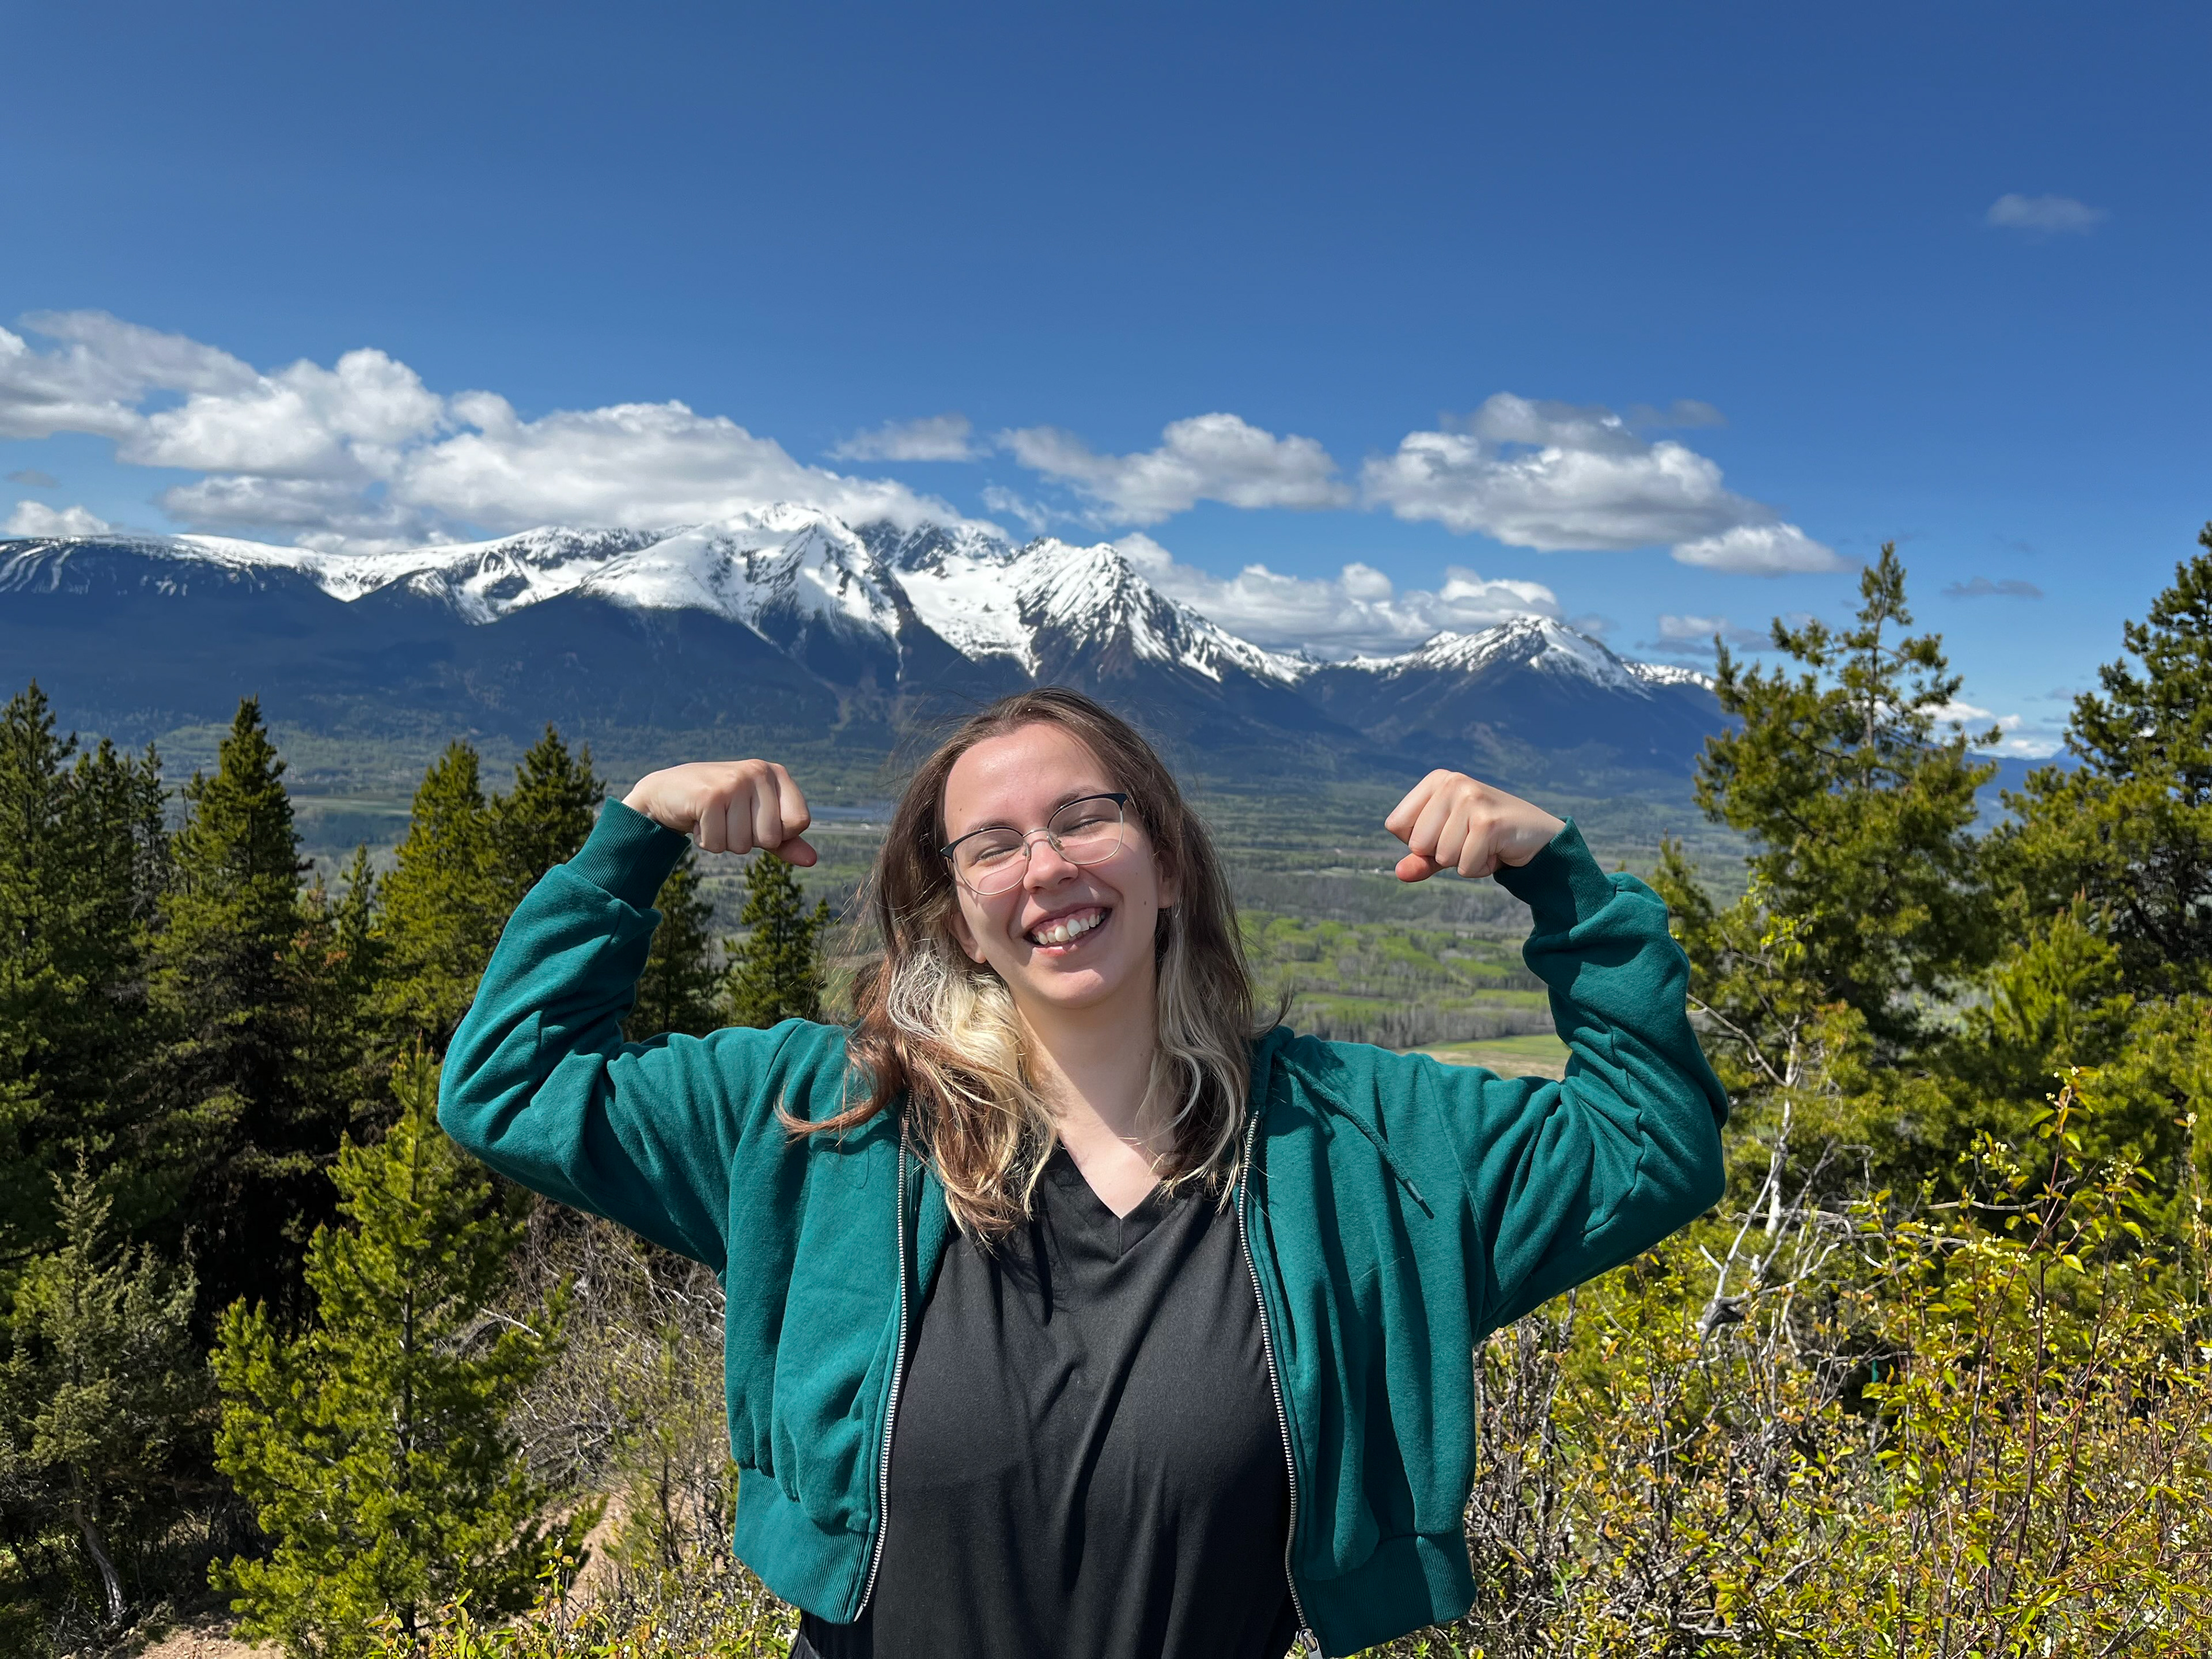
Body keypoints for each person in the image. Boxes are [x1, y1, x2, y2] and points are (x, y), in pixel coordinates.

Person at [440, 687, 1728, 1659]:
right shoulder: (825, 1120)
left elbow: (1650, 1145)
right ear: (955, 915)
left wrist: (1562, 882)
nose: (1045, 868)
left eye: (1084, 818)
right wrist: (635, 840)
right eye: (990, 845)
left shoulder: (1366, 1147)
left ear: (1165, 860)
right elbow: (509, 1086)